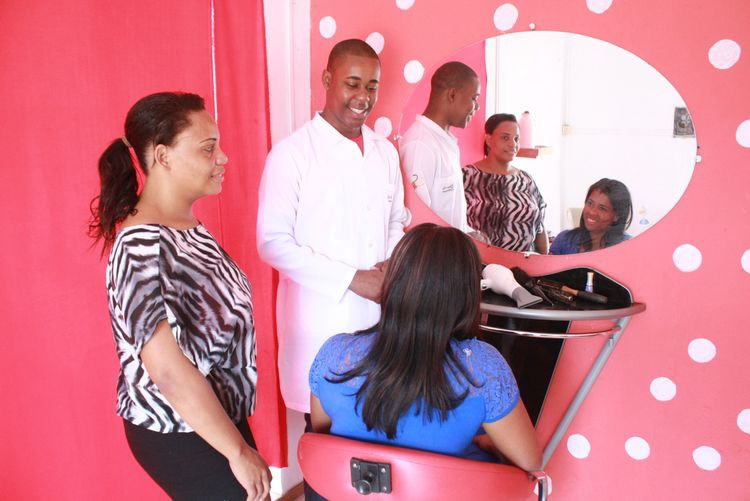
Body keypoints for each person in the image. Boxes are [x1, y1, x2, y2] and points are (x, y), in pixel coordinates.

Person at [89, 92, 270, 500]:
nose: (223, 157)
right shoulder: (143, 247)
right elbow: (168, 372)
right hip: (176, 425)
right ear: (163, 157)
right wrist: (237, 451)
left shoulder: (186, 227)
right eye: (208, 148)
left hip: (213, 415)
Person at [309, 223, 542, 472]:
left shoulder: (334, 355)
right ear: (467, 292)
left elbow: (326, 439)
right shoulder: (483, 368)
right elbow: (530, 463)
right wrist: (485, 442)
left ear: (394, 282)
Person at [256, 39, 408, 421]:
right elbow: (272, 243)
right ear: (327, 79)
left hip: (381, 320)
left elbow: (396, 219)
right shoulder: (292, 155)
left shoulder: (384, 152)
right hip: (321, 322)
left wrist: (390, 263)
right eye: (352, 83)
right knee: (326, 435)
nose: (363, 96)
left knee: (380, 430)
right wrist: (353, 279)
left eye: (372, 86)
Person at [399, 61, 481, 233]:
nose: (477, 107)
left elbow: (449, 214)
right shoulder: (419, 145)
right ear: (452, 95)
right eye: (474, 98)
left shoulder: (445, 143)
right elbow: (417, 223)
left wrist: (468, 233)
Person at [464, 113, 548, 253]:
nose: (513, 144)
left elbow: (540, 228)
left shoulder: (526, 180)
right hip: (483, 267)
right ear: (488, 139)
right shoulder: (468, 177)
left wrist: (544, 265)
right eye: (505, 137)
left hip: (525, 269)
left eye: (516, 139)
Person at [550, 178, 633, 254]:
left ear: (617, 216)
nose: (592, 212)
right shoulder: (564, 240)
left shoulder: (628, 249)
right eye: (590, 203)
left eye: (602, 208)